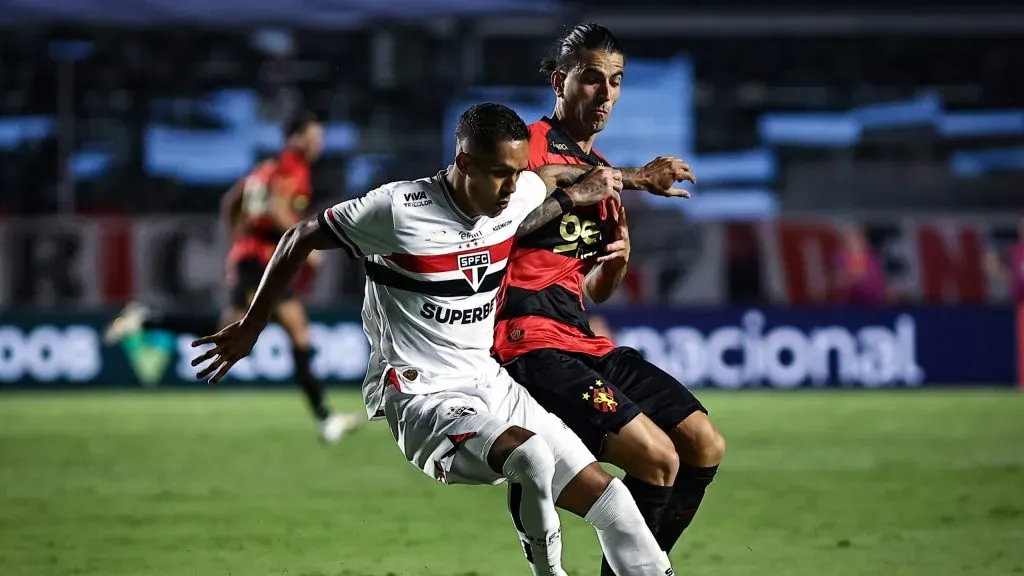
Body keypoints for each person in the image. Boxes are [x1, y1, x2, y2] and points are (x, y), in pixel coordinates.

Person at [190, 103, 683, 576]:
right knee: (530, 455)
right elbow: (298, 236)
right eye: (499, 174)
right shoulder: (397, 209)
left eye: (517, 172)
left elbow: (557, 179)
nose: (513, 187)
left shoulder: (514, 193)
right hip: (421, 395)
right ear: (464, 161)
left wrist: (638, 178)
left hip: (490, 384)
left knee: (615, 505)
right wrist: (253, 325)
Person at [492, 24, 727, 574]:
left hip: (582, 339)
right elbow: (507, 219)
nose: (605, 94)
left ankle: (640, 568)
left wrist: (615, 265)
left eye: (615, 81)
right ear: (561, 80)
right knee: (656, 459)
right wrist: (633, 177)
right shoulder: (526, 148)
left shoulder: (606, 179)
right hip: (527, 340)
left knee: (703, 444)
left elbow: (594, 288)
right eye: (592, 78)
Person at [104, 111, 360, 444]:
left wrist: (238, 239)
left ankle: (325, 418)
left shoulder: (265, 169)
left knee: (298, 334)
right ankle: (146, 319)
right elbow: (278, 209)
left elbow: (232, 202)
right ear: (296, 139)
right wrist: (306, 244)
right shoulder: (292, 169)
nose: (318, 145)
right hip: (260, 264)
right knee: (231, 330)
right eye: (314, 138)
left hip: (259, 261)